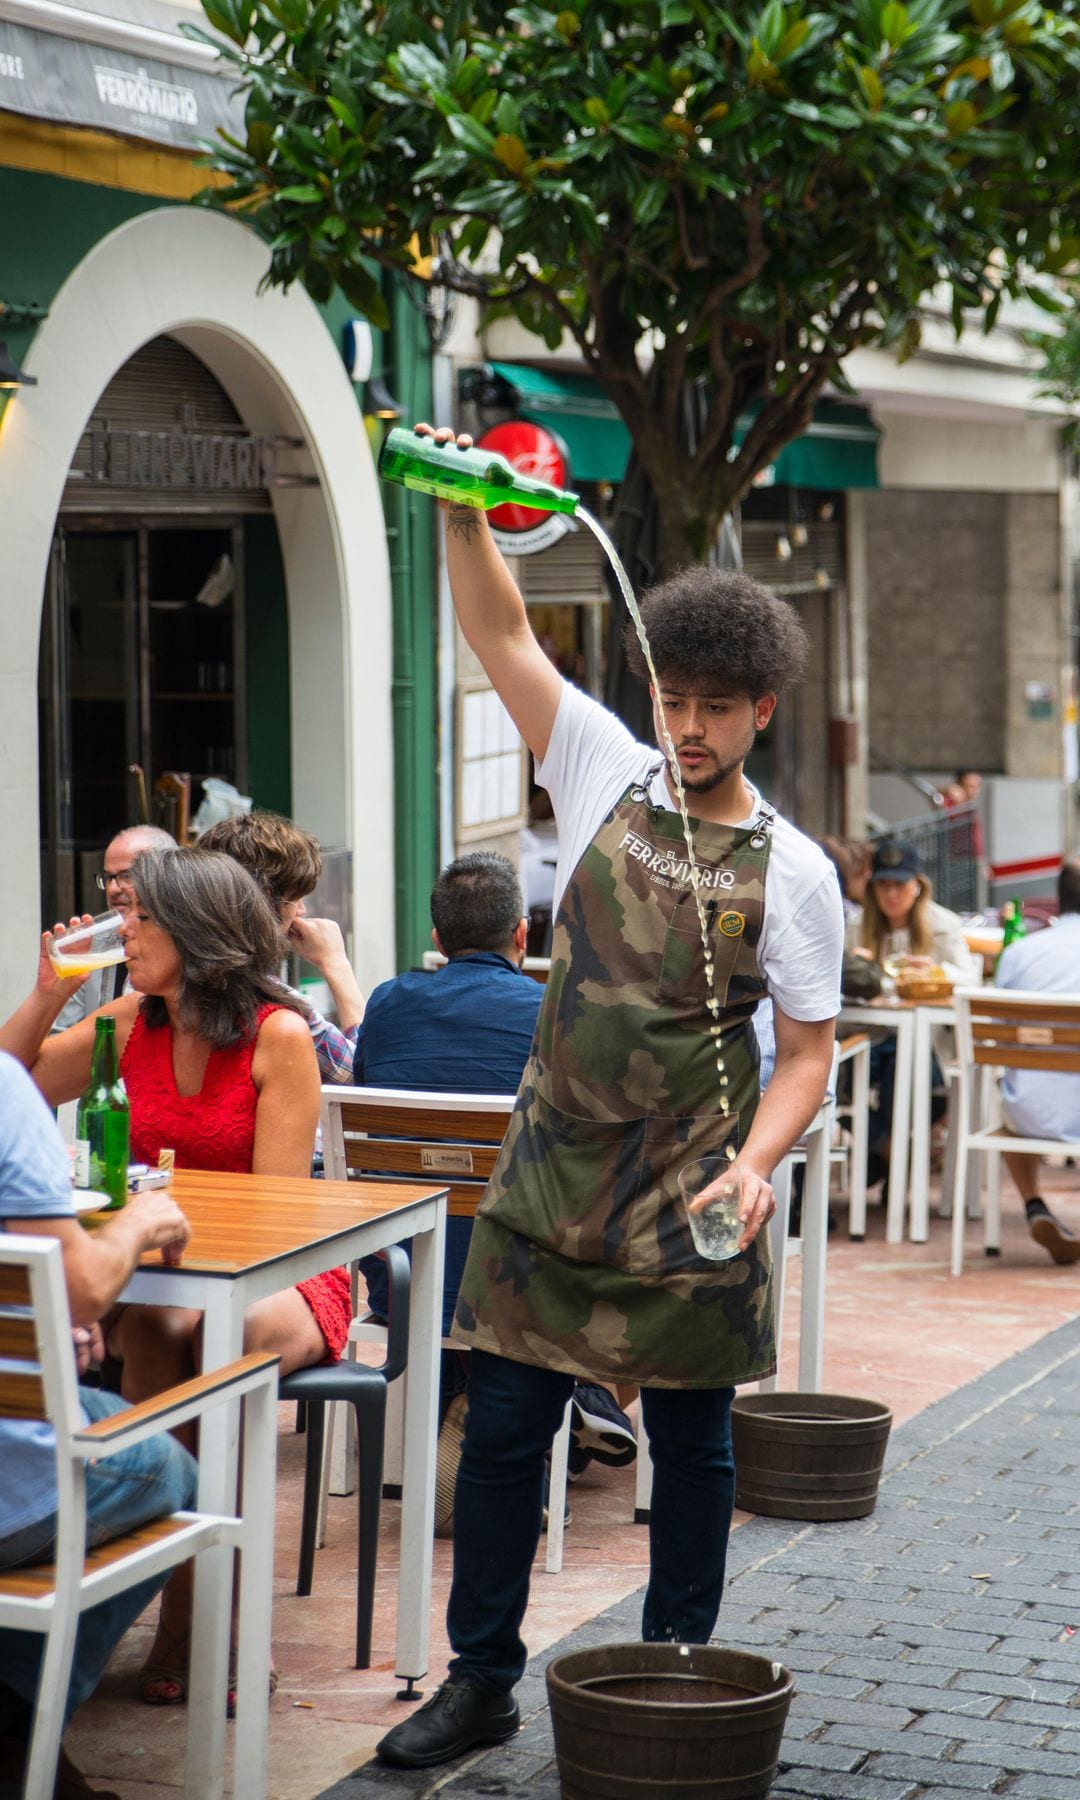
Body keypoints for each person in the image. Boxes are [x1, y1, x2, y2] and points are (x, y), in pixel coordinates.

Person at [375, 423, 843, 1771]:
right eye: (672, 698)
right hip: (551, 1182)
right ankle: (479, 1679)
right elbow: (504, 638)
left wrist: (755, 1165)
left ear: (763, 710)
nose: (686, 728)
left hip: (694, 1194)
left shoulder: (795, 871)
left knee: (691, 1452)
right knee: (510, 1434)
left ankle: (680, 1667)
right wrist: (466, 510)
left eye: (714, 706)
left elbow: (805, 1054)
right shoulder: (596, 767)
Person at [0, 846, 339, 1707]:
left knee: (225, 1342)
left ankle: (214, 1618)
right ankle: (178, 1612)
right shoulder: (125, 1018)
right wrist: (47, 992)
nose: (125, 929)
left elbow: (278, 1216)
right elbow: (13, 1085)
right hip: (165, 1267)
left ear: (197, 928)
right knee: (156, 1328)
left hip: (283, 1276)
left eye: (142, 917)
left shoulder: (281, 1034)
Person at [354, 851, 635, 1531]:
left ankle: (494, 1409)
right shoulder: (554, 1013)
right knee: (632, 1268)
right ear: (521, 935)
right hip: (523, 1291)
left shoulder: (386, 1006)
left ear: (439, 940)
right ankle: (568, 1402)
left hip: (404, 1282)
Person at [0, 1051, 194, 1797]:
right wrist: (140, 1220)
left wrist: (36, 1325)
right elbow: (81, 1287)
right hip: (15, 1491)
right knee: (173, 1464)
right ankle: (17, 1718)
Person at [847, 837, 980, 1188]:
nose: (891, 894)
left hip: (928, 1042)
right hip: (868, 1033)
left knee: (905, 1064)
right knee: (841, 1077)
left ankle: (882, 1155)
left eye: (900, 885)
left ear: (918, 885)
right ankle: (891, 1152)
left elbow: (970, 978)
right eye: (884, 885)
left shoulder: (942, 924)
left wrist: (935, 970)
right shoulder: (857, 925)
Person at [199, 810, 365, 1081]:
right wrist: (337, 964)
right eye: (294, 898)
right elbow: (363, 1074)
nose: (302, 910)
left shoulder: (157, 982)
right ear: (262, 903)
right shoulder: (280, 1009)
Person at [995, 857, 1080, 1264]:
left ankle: (1033, 1203)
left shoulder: (1020, 953)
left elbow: (999, 1026)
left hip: (1031, 1112)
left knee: (1009, 1093)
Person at [53, 824, 176, 1031]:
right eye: (108, 878)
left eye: (126, 875)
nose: (112, 888)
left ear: (169, 876)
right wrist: (52, 993)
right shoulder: (92, 944)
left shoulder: (182, 949)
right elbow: (62, 1035)